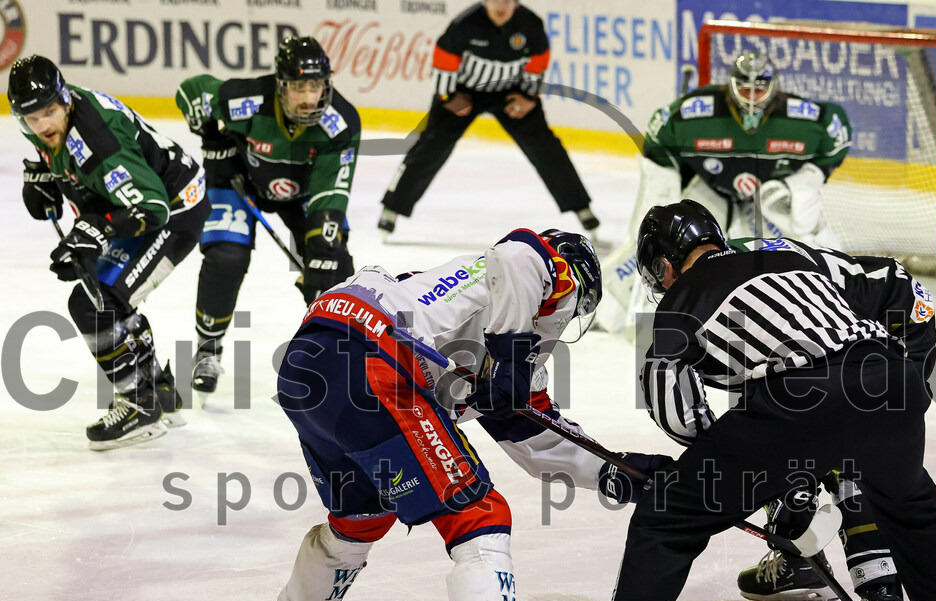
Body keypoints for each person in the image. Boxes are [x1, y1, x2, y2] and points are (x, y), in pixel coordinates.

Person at [563, 201, 936, 601]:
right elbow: (888, 289)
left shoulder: (681, 301)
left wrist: (721, 477)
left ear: (667, 264)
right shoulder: (792, 260)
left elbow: (676, 411)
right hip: (892, 380)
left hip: (802, 400)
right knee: (912, 503)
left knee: (666, 521)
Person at [265, 227, 648, 601]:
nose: (563, 320)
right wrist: (512, 356)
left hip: (310, 366)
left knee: (361, 519)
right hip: (372, 364)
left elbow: (528, 429)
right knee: (480, 516)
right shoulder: (531, 273)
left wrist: (618, 473)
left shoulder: (469, 305)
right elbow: (522, 251)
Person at [732, 236, 936, 601]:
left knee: (852, 461)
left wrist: (795, 496)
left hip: (898, 323)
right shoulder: (732, 281)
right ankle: (801, 564)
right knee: (782, 433)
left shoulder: (743, 298)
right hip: (861, 327)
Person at [9, 55, 206, 450]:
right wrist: (47, 176)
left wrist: (96, 229)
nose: (44, 124)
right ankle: (158, 392)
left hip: (172, 212)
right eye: (32, 118)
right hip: (142, 202)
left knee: (93, 303)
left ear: (64, 99)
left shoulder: (100, 142)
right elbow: (77, 168)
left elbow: (151, 209)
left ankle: (140, 405)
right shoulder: (54, 120)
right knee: (106, 298)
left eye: (49, 112)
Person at [597, 49, 852, 335]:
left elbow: (837, 138)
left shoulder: (805, 120)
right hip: (710, 190)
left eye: (759, 88)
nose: (752, 96)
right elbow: (658, 137)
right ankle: (629, 312)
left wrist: (806, 178)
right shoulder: (695, 114)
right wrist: (672, 179)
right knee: (667, 243)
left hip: (766, 196)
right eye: (744, 88)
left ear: (773, 86)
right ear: (730, 86)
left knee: (802, 230)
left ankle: (838, 298)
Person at [175, 36, 361, 402]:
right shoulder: (245, 100)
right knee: (226, 257)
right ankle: (208, 349)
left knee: (332, 266)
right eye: (298, 87)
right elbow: (190, 89)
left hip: (303, 193)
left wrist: (322, 249)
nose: (309, 98)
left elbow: (330, 192)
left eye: (316, 86)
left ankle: (336, 357)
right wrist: (206, 126)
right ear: (280, 86)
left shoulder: (339, 123)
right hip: (239, 182)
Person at [378, 0, 600, 239]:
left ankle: (581, 207)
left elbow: (538, 62)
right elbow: (443, 61)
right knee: (431, 145)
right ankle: (393, 207)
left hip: (511, 92)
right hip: (464, 92)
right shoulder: (464, 24)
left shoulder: (530, 24)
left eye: (508, 0)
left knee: (545, 147)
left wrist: (528, 97)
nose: (502, 5)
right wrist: (448, 97)